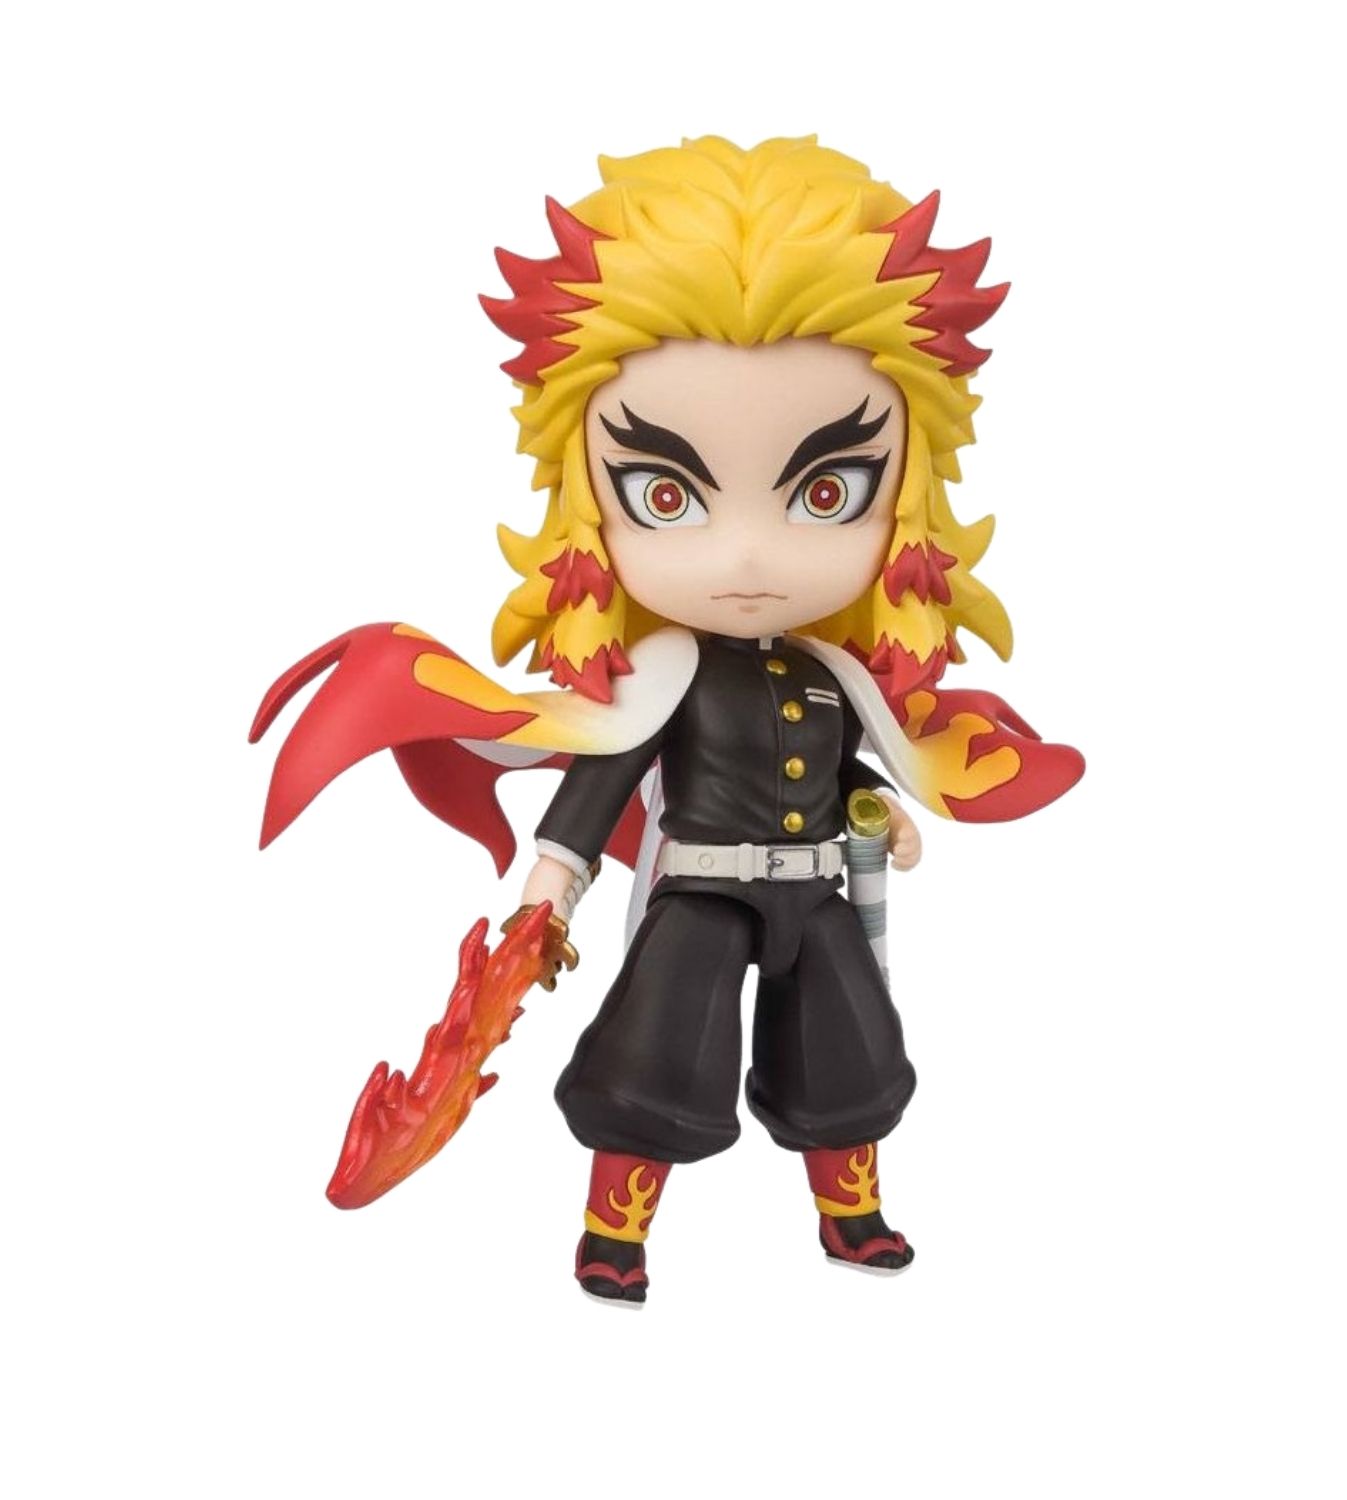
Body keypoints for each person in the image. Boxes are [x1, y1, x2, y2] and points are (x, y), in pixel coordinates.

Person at [253, 135, 1084, 1306]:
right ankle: (615, 1230)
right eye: (666, 493)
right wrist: (549, 895)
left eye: (827, 490)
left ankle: (852, 1212)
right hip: (700, 891)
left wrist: (877, 811)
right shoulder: (662, 675)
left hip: (816, 891)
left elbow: (839, 763)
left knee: (848, 1053)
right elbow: (596, 784)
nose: (745, 554)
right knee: (656, 1057)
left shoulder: (829, 674)